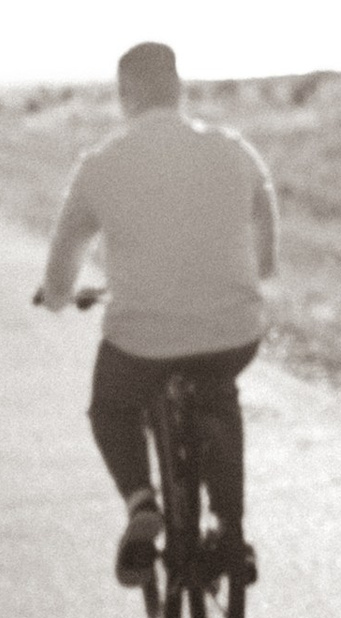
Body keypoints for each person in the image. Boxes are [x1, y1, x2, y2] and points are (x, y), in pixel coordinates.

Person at [33, 41, 278, 584]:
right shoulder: (231, 149)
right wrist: (261, 269)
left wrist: (54, 295)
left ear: (126, 96)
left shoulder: (101, 165)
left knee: (112, 409)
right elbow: (264, 208)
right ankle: (231, 532)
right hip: (232, 331)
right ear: (178, 88)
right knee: (219, 392)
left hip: (142, 340)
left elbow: (67, 247)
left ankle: (143, 502)